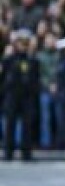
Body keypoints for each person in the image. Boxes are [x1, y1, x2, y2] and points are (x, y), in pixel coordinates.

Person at [0, 29, 40, 160]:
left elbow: (35, 79)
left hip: (27, 96)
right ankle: (8, 152)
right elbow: (4, 77)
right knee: (10, 124)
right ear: (15, 44)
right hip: (12, 95)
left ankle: (26, 152)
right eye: (20, 42)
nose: (22, 45)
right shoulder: (8, 60)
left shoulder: (33, 60)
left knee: (27, 125)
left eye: (25, 43)